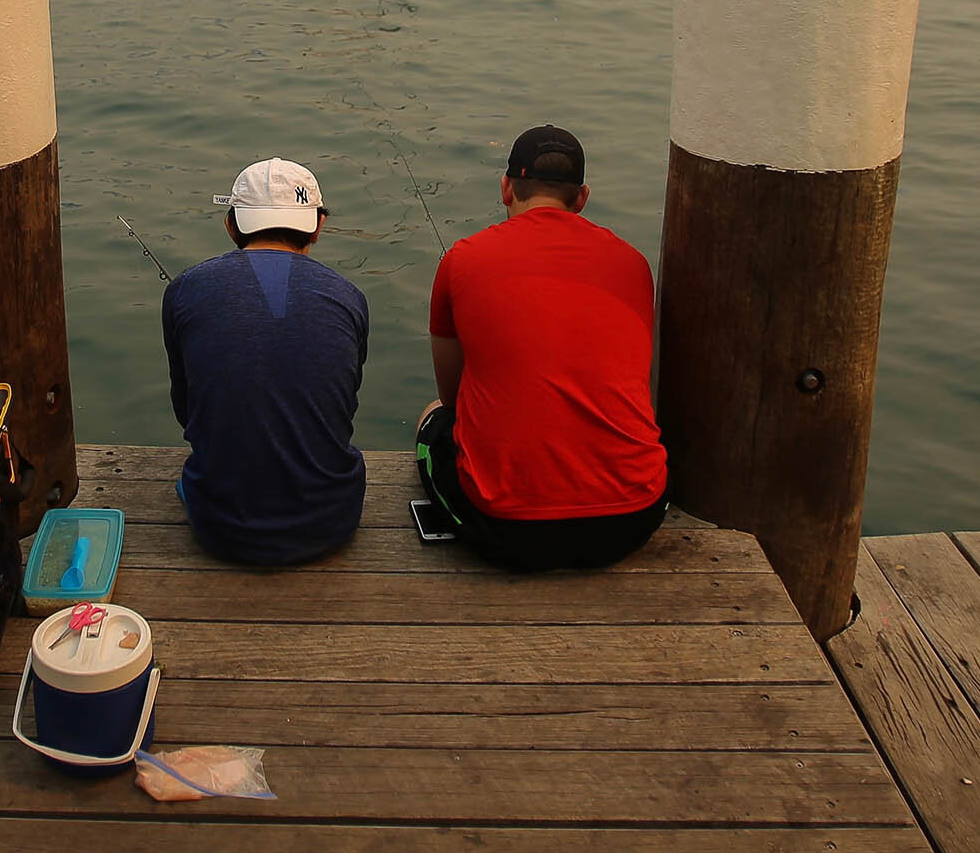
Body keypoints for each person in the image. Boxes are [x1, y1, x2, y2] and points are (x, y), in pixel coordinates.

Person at [419, 125, 666, 570]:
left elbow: (455, 398)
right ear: (582, 197)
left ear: (506, 188)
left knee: (433, 419)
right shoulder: (635, 263)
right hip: (633, 520)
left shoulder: (461, 258)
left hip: (508, 531)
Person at [162, 157, 369, 564]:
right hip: (332, 521)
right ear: (319, 226)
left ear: (231, 225)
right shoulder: (349, 297)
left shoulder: (185, 289)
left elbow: (186, 412)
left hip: (220, 527)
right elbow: (343, 408)